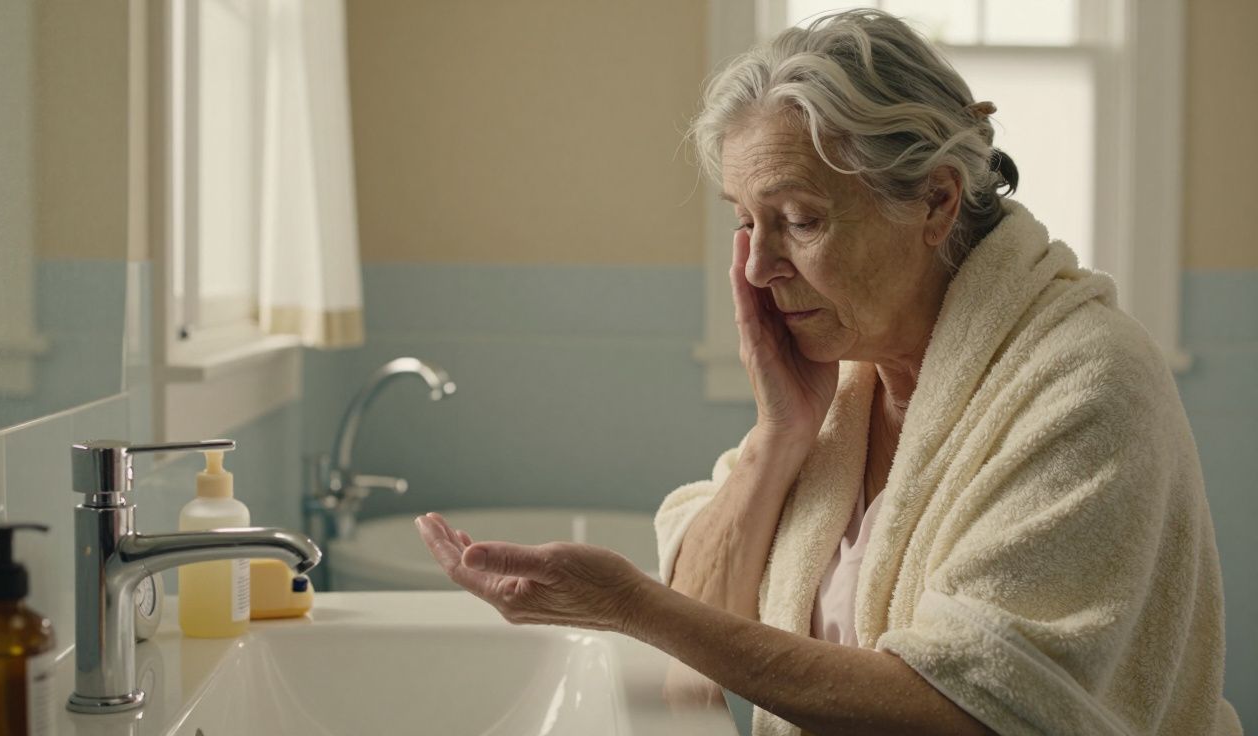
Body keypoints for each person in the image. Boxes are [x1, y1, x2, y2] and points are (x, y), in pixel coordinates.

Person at [416, 10, 1242, 735]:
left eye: (801, 220)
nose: (759, 267)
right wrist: (779, 436)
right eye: (746, 224)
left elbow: (970, 707)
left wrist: (631, 604)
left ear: (936, 203)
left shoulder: (1087, 383)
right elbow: (702, 615)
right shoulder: (849, 387)